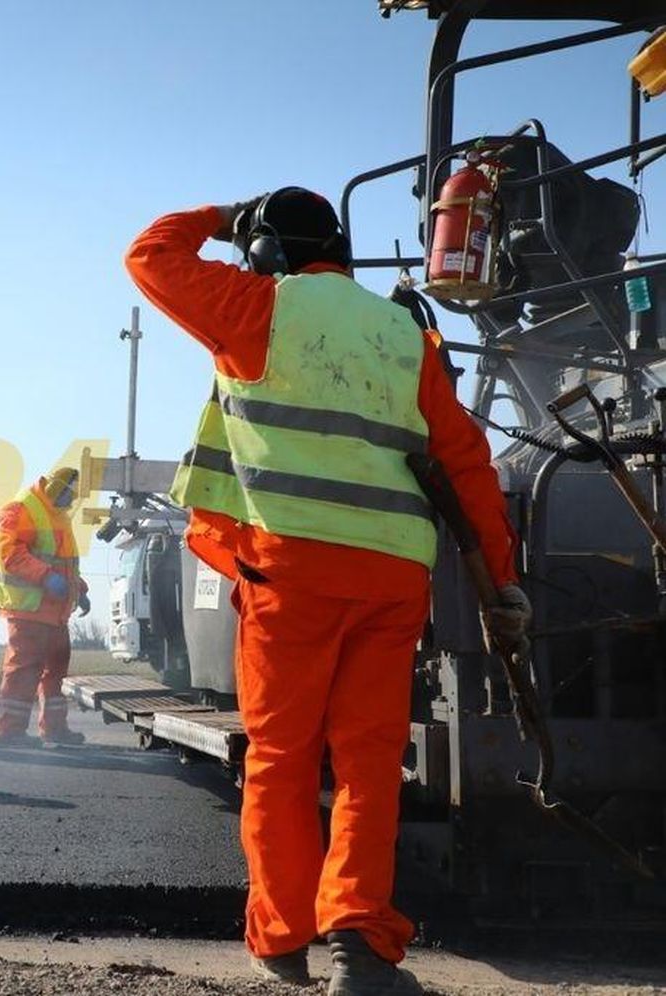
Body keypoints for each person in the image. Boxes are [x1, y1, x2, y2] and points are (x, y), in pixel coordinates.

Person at [125, 189, 527, 994]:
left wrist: (220, 214)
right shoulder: (401, 334)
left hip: (294, 576)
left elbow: (150, 256)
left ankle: (279, 939)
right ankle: (360, 945)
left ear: (267, 251)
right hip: (391, 578)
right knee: (369, 764)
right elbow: (467, 463)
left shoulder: (255, 305)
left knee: (281, 757)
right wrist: (502, 587)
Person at [0, 468, 91, 748]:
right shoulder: (20, 509)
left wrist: (78, 589)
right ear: (58, 488)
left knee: (56, 671)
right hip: (29, 608)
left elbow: (62, 561)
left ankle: (55, 728)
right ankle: (9, 732)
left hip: (55, 610)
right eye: (70, 494)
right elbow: (11, 555)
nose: (71, 501)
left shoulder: (57, 514)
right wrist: (47, 578)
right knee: (23, 670)